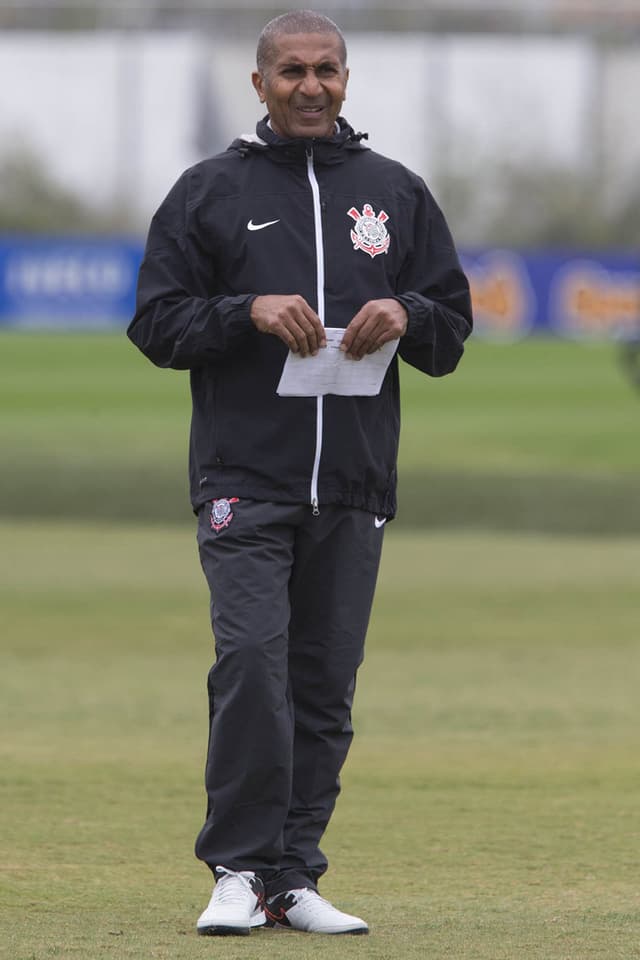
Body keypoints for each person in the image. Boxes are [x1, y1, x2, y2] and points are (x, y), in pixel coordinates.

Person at [127, 9, 472, 937]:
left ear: (347, 79)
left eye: (327, 69)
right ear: (260, 84)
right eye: (291, 71)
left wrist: (404, 312)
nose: (310, 85)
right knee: (251, 667)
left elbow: (451, 333)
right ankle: (236, 868)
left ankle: (291, 877)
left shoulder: (394, 192)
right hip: (245, 479)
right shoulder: (209, 191)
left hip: (354, 487)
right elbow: (156, 325)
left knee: (323, 688)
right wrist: (245, 311)